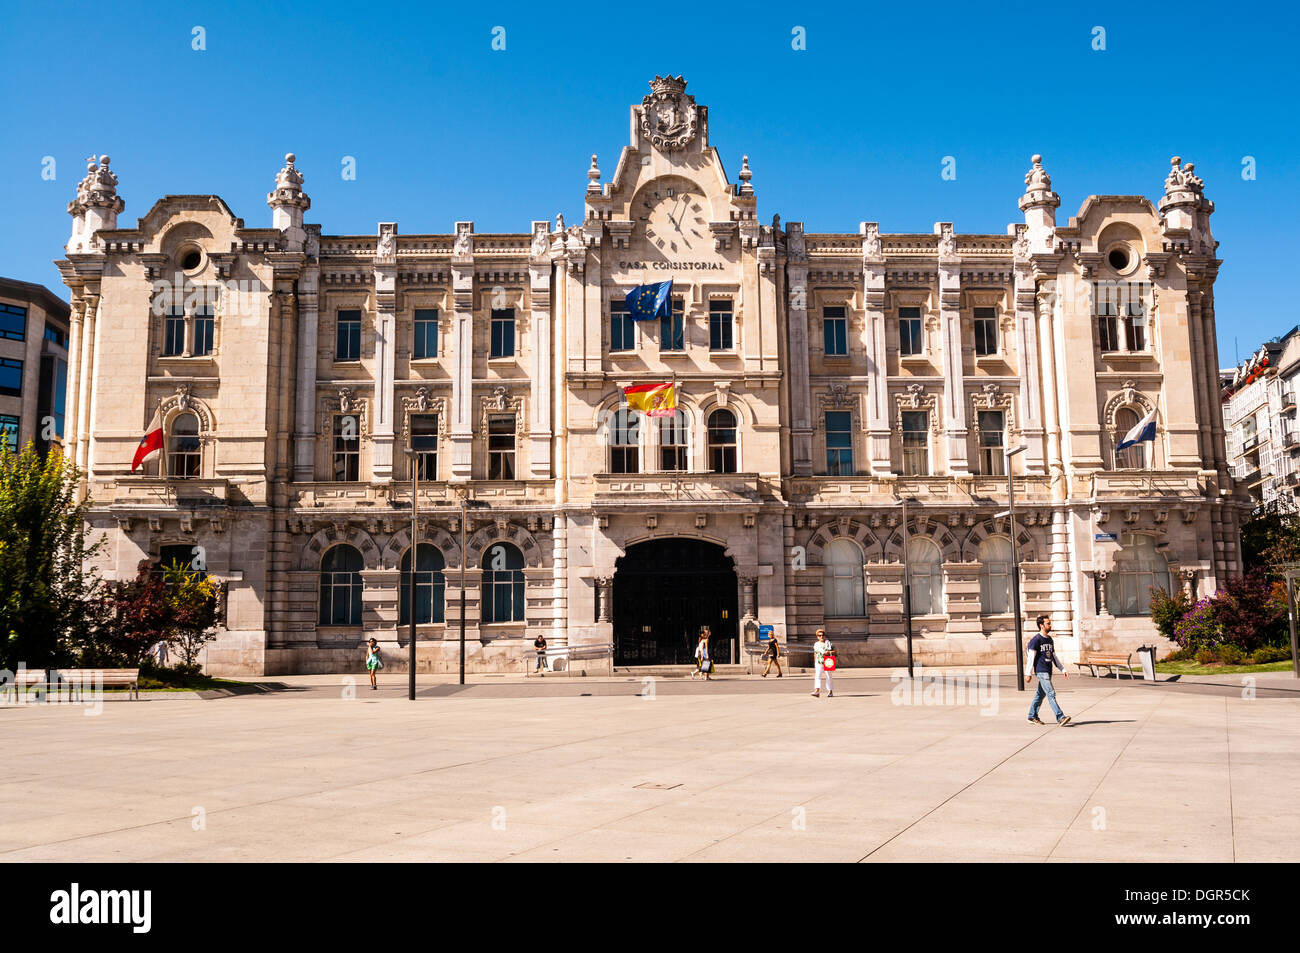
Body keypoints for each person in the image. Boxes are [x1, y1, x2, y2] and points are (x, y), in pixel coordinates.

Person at [1026, 615, 1070, 725]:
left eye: (1050, 623)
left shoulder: (1050, 639)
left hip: (1048, 670)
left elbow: (1054, 656)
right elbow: (1031, 657)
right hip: (1041, 671)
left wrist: (1062, 669)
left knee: (1040, 695)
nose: (1050, 625)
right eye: (1048, 623)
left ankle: (1032, 716)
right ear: (1041, 625)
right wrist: (1028, 673)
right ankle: (1061, 717)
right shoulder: (1036, 640)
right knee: (1051, 693)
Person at [811, 628, 834, 698]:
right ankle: (817, 691)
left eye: (823, 635)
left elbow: (835, 651)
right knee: (818, 675)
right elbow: (815, 653)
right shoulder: (816, 644)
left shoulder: (828, 643)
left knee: (828, 676)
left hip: (828, 661)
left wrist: (829, 652)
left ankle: (830, 691)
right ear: (817, 636)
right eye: (819, 635)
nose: (821, 637)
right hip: (819, 661)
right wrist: (815, 662)